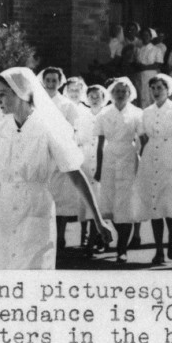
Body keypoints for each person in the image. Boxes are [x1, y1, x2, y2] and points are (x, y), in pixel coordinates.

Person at [0, 67, 113, 270]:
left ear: (21, 93)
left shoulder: (48, 130)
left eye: (2, 95)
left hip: (36, 211)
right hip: (3, 213)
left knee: (32, 276)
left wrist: (99, 220)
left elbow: (75, 175)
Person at [135, 73, 172, 265]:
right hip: (151, 157)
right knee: (154, 202)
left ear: (168, 90)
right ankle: (159, 249)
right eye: (153, 88)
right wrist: (142, 160)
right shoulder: (146, 112)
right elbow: (142, 138)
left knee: (170, 200)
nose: (156, 92)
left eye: (160, 88)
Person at [93, 77, 143, 263]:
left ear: (130, 94)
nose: (120, 95)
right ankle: (118, 242)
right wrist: (98, 168)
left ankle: (122, 249)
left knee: (127, 204)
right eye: (117, 92)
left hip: (129, 157)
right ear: (111, 94)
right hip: (109, 158)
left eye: (124, 91)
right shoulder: (104, 114)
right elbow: (99, 144)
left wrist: (142, 161)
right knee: (111, 204)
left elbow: (142, 139)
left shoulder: (137, 113)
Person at [39, 67, 81, 249]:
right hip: (41, 152)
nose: (50, 84)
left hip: (59, 153)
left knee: (61, 198)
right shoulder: (37, 102)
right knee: (43, 195)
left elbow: (73, 130)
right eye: (47, 80)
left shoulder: (67, 105)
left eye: (54, 81)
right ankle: (45, 236)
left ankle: (61, 237)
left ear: (60, 82)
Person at [79, 83, 109, 253]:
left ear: (104, 98)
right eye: (91, 96)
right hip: (86, 160)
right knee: (88, 201)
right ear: (86, 98)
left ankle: (100, 238)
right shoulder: (82, 115)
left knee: (102, 201)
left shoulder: (107, 114)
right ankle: (89, 239)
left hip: (104, 158)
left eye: (98, 96)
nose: (94, 99)